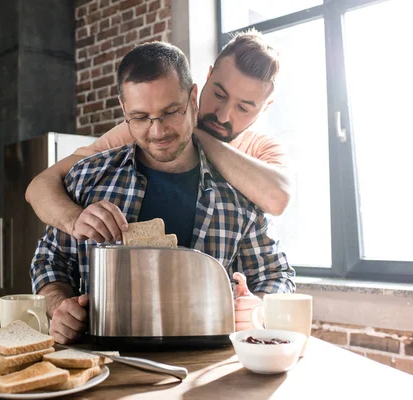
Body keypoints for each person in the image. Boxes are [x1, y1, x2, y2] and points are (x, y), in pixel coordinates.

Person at [30, 41, 295, 344]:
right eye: (141, 117)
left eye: (171, 112)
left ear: (191, 99)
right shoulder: (91, 175)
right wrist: (58, 304)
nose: (157, 132)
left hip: (206, 373)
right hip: (104, 367)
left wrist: (257, 308)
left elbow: (276, 274)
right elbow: (49, 259)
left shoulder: (244, 188)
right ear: (125, 111)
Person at [25, 29, 292, 248]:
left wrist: (193, 130)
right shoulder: (153, 129)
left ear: (265, 108)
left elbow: (277, 199)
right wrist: (74, 221)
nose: (222, 115)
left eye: (243, 108)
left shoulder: (263, 149)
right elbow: (40, 185)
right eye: (219, 95)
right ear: (208, 77)